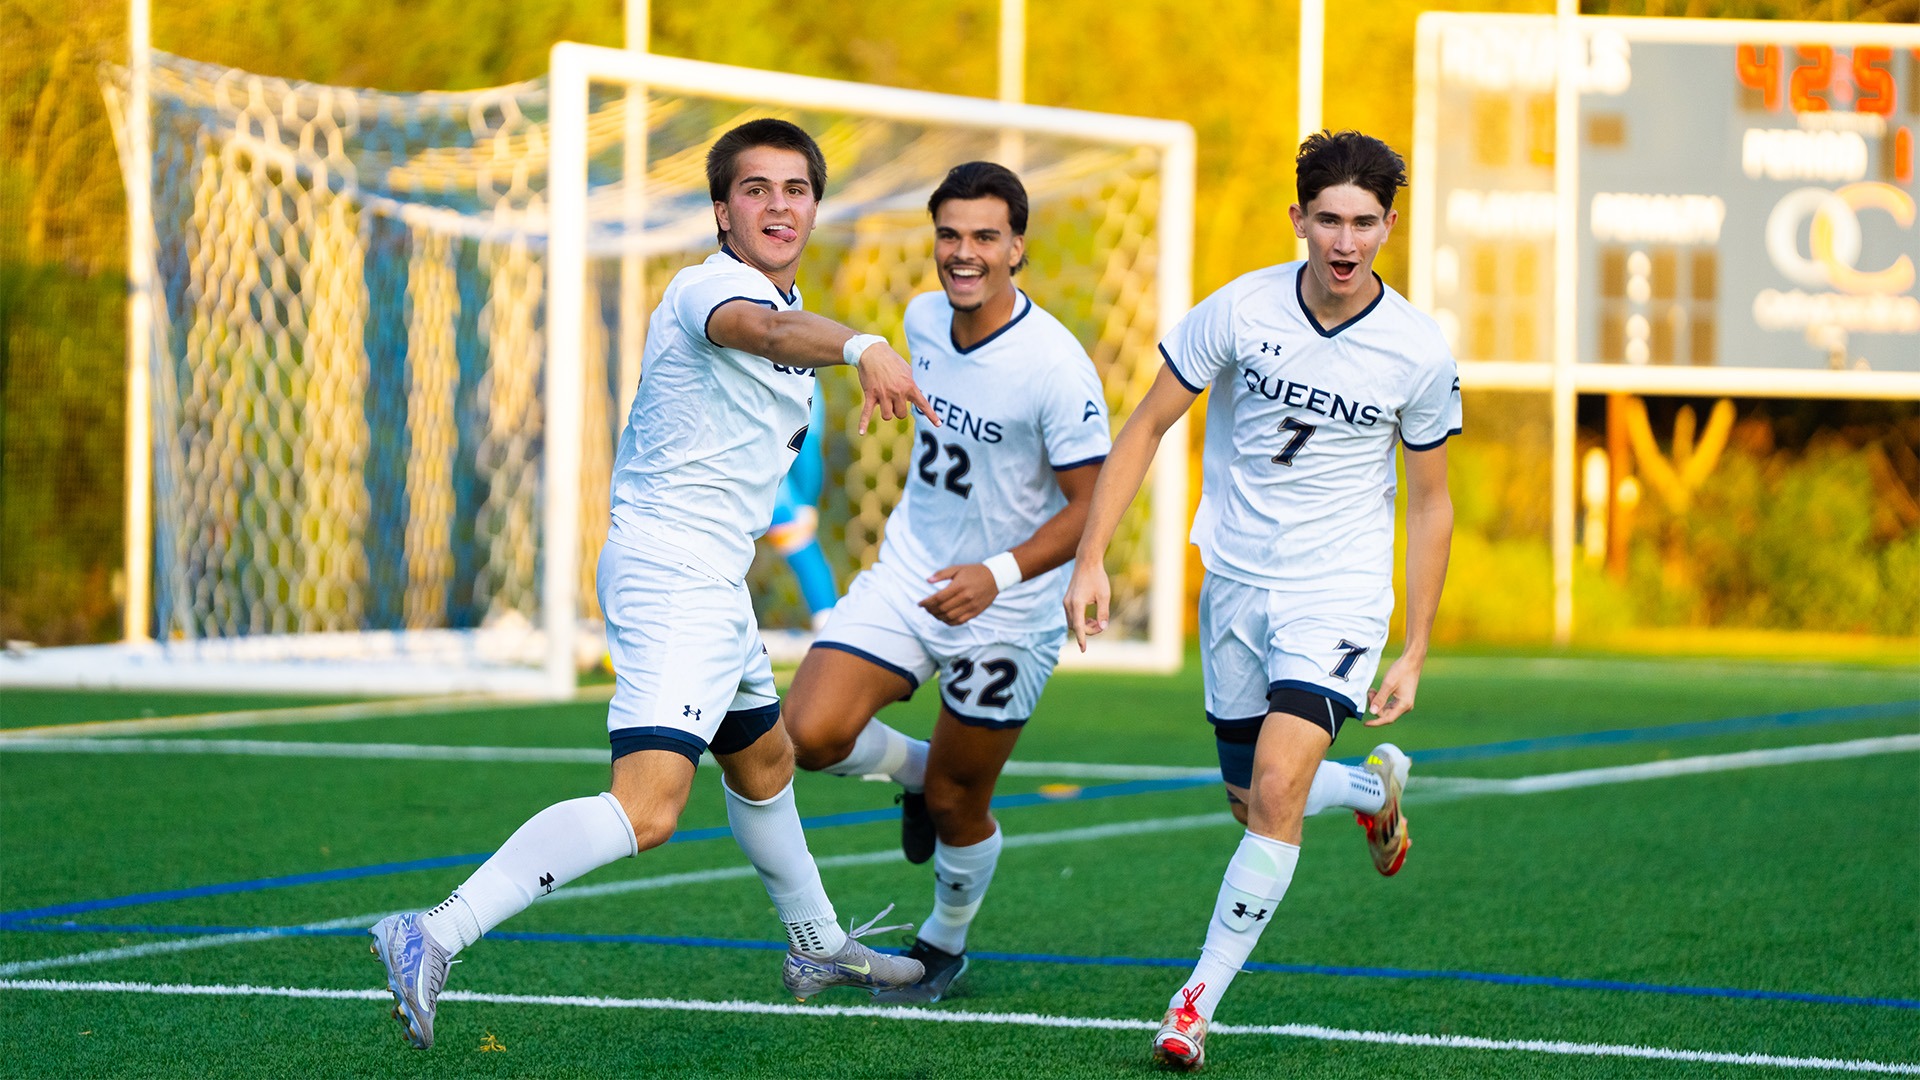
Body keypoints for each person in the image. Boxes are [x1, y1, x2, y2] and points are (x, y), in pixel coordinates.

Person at [370, 118, 935, 1050]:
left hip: (713, 579)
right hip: (672, 572)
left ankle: (817, 944)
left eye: (795, 189)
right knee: (649, 806)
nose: (778, 205)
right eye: (755, 189)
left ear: (814, 207)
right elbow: (767, 326)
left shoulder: (781, 309)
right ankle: (431, 932)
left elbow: (782, 337)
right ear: (723, 210)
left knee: (764, 760)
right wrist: (864, 344)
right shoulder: (712, 287)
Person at [1062, 130, 1458, 1071]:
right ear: (1299, 220)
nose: (1345, 239)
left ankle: (1194, 1001)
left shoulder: (1416, 351)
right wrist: (1091, 558)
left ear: (1389, 228)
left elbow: (1433, 501)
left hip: (1338, 591)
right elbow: (1147, 425)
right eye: (1328, 218)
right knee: (1250, 802)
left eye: (1365, 222)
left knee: (1278, 788)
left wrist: (1415, 647)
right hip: (1234, 579)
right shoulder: (1237, 310)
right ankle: (1369, 790)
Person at [783, 161, 1111, 1003]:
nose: (963, 254)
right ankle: (920, 777)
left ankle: (944, 944)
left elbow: (1094, 504)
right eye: (950, 235)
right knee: (808, 735)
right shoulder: (923, 318)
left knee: (963, 803)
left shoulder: (1056, 367)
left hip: (1011, 608)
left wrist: (997, 575)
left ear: (1017, 248)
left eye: (984, 238)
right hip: (909, 571)